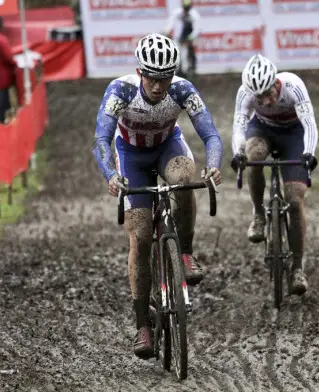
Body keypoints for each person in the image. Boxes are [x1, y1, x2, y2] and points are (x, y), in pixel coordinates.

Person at [92, 33, 223, 359]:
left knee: (183, 179)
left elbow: (211, 134)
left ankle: (186, 254)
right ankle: (143, 326)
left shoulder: (182, 89)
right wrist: (111, 175)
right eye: (152, 77)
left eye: (164, 77)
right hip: (131, 156)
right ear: (140, 72)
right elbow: (101, 139)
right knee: (141, 236)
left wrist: (214, 166)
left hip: (168, 148)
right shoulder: (120, 91)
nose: (158, 86)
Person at [230, 54, 319, 296]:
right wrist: (238, 153)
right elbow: (239, 126)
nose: (267, 101)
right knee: (253, 156)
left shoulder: (293, 86)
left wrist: (309, 153)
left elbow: (309, 123)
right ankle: (259, 214)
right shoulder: (245, 93)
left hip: (294, 134)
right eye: (260, 97)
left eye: (269, 93)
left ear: (276, 83)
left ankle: (297, 267)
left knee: (294, 198)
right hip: (263, 129)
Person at [164, 0, 201, 77]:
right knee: (176, 54)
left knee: (187, 55)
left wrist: (190, 37)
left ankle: (189, 71)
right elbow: (171, 23)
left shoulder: (194, 15)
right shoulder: (177, 13)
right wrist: (167, 31)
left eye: (187, 8)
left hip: (188, 39)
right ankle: (177, 71)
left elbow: (197, 29)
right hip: (177, 38)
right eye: (185, 8)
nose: (186, 10)